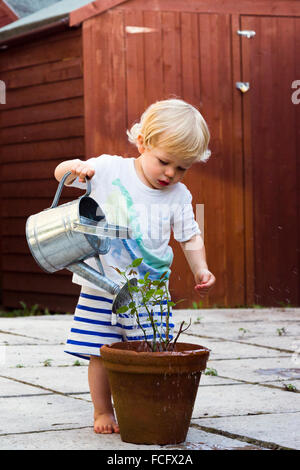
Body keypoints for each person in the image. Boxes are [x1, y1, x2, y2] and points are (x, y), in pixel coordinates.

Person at [54, 98, 216, 434]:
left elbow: (190, 237)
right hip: (102, 284)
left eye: (183, 167)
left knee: (153, 351)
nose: (171, 173)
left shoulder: (178, 196)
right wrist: (75, 167)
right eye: (165, 162)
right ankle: (103, 411)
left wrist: (201, 268)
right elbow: (61, 176)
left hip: (150, 291)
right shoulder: (109, 170)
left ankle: (150, 403)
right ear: (142, 143)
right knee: (100, 351)